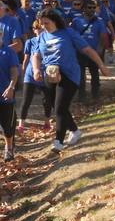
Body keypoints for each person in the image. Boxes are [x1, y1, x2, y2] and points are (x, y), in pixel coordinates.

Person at [32, 9, 108, 153]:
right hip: (50, 74)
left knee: (60, 107)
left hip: (69, 74)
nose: (43, 26)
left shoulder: (68, 33)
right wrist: (36, 70)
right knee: (58, 107)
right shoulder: (42, 37)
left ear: (54, 20)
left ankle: (58, 141)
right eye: (41, 24)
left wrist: (101, 65)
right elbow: (35, 55)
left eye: (46, 23)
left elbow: (87, 50)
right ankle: (75, 130)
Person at [17, 18, 52, 132]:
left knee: (47, 100)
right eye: (36, 28)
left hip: (44, 74)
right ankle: (21, 124)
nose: (39, 30)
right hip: (30, 74)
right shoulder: (30, 42)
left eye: (41, 28)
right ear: (33, 30)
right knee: (26, 100)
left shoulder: (49, 41)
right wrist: (22, 73)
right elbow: (26, 59)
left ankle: (47, 122)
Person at [70, 0, 108, 102]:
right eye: (89, 7)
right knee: (81, 75)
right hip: (80, 52)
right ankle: (81, 95)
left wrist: (100, 51)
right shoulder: (76, 21)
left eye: (93, 7)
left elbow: (102, 37)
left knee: (94, 74)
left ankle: (95, 94)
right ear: (84, 9)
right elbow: (72, 36)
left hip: (94, 52)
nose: (92, 9)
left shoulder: (99, 21)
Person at [0, 36, 19, 161]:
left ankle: (9, 147)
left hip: (5, 94)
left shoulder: (8, 51)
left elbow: (14, 71)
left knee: (7, 125)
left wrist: (11, 87)